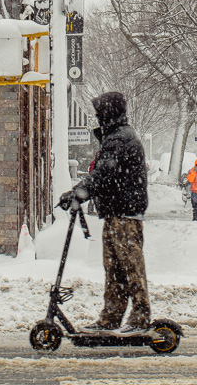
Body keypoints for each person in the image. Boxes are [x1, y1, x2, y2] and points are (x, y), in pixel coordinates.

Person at [58, 91, 150, 336]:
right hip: (117, 213)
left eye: (99, 111)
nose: (96, 115)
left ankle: (140, 319)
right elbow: (103, 174)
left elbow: (104, 173)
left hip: (125, 215)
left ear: (109, 112)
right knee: (115, 269)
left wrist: (79, 192)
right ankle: (111, 317)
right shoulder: (116, 136)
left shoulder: (120, 139)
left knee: (130, 268)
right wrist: (80, 191)